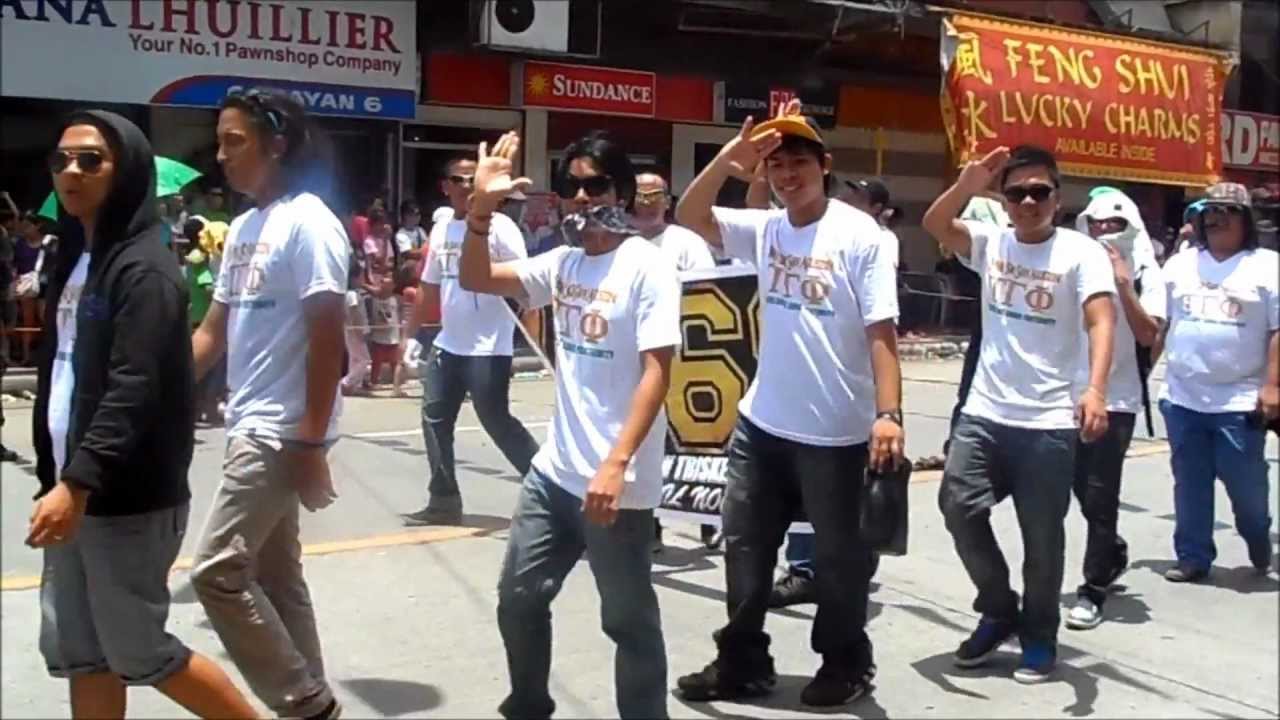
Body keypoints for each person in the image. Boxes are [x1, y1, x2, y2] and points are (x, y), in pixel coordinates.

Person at [28, 110, 258, 720]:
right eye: (61, 160)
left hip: (121, 497)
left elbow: (136, 387)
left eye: (90, 160)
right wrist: (57, 476)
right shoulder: (77, 260)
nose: (70, 171)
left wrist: (78, 482)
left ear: (126, 170)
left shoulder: (146, 269)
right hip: (72, 489)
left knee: (139, 649)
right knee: (83, 651)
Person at [675, 104, 905, 707]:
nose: (786, 174)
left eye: (798, 162)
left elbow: (882, 332)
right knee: (745, 552)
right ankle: (742, 663)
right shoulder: (768, 227)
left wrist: (889, 414)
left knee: (838, 563)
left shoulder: (864, 238)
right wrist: (730, 160)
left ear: (824, 167)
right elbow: (690, 214)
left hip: (836, 434)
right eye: (776, 165)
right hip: (762, 425)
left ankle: (846, 663)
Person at [458, 130, 679, 719]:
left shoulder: (646, 268)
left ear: (623, 191)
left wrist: (616, 462)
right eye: (572, 186)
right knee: (518, 599)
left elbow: (657, 373)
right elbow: (477, 278)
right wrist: (481, 211)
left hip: (616, 489)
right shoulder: (564, 263)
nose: (582, 197)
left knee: (627, 622)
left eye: (595, 185)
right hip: (553, 475)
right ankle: (529, 704)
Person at [922, 144, 1116, 684]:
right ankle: (998, 606)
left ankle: (1039, 634)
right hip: (985, 411)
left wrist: (1095, 389)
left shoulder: (1081, 252)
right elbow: (935, 221)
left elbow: (1101, 321)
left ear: (1058, 198)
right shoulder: (991, 242)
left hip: (1049, 422)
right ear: (1003, 200)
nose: (1029, 202)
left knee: (1042, 540)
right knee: (957, 506)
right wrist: (967, 183)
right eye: (1017, 192)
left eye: (1040, 192)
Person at [189, 90, 347, 720]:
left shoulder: (310, 223)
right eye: (220, 142)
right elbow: (212, 332)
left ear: (276, 145)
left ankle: (303, 702)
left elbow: (327, 338)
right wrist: (152, 390)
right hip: (248, 419)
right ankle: (311, 699)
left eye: (236, 142)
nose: (222, 156)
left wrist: (310, 443)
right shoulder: (249, 227)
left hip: (281, 431)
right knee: (279, 579)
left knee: (217, 571)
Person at [398, 154, 541, 526]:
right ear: (445, 187)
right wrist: (407, 337)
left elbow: (527, 285)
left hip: (489, 346)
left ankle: (549, 491)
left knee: (496, 421)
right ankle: (444, 499)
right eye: (458, 180)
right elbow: (429, 287)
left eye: (470, 179)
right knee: (433, 418)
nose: (465, 187)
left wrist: (535, 340)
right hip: (450, 343)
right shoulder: (443, 229)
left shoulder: (502, 228)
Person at [1158, 182, 1278, 583]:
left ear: (1245, 220)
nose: (1215, 219)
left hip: (1240, 400)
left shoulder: (1268, 267)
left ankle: (1258, 537)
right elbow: (1162, 323)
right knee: (1189, 482)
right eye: (1209, 211)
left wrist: (1273, 386)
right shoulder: (1179, 264)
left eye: (1226, 211)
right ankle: (1192, 556)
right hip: (1182, 397)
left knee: (1247, 493)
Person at [1064, 190, 1166, 629]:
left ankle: (1093, 587)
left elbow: (1148, 335)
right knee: (1078, 490)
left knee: (1101, 493)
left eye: (1114, 225)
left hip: (1118, 398)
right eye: (1097, 224)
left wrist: (1124, 284)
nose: (1104, 232)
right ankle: (1113, 551)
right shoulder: (1074, 263)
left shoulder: (1147, 273)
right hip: (1067, 394)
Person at [631, 171, 719, 551]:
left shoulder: (687, 242)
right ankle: (645, 524)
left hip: (685, 358)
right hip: (634, 358)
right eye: (640, 195)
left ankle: (708, 519)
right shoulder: (619, 243)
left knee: (695, 443)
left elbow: (708, 294)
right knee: (643, 442)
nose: (647, 202)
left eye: (655, 195)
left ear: (667, 200)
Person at [182, 218, 223, 426]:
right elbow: (207, 287)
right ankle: (208, 407)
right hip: (206, 319)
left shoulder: (191, 257)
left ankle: (198, 409)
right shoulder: (199, 259)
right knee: (214, 367)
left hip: (197, 317)